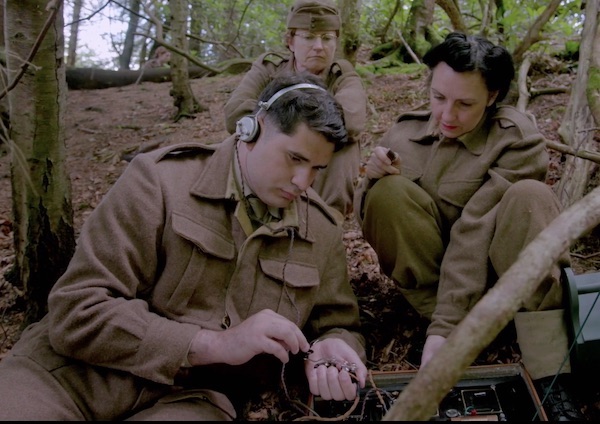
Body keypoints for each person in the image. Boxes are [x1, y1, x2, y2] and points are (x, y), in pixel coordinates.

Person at [0, 72, 368, 420]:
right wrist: (213, 344)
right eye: (295, 158)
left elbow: (338, 323)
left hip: (189, 400)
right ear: (251, 129)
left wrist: (337, 346)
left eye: (317, 168)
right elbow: (77, 309)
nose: (303, 181)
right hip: (71, 376)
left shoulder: (320, 229)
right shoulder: (159, 181)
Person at [354, 32, 584, 421]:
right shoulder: (405, 133)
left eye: (465, 104)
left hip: (504, 287)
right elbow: (372, 221)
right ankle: (439, 334)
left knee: (530, 197)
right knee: (388, 193)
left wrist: (449, 326)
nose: (447, 116)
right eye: (438, 98)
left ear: (493, 96)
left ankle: (549, 369)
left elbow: (473, 230)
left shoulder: (516, 139)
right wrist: (371, 180)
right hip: (435, 295)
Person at [224, 0, 367, 221]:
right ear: (290, 41)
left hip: (323, 169)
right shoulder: (270, 68)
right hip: (272, 160)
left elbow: (353, 120)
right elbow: (235, 113)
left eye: (327, 38)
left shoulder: (341, 75)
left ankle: (325, 223)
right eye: (309, 37)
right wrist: (282, 127)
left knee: (343, 143)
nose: (319, 46)